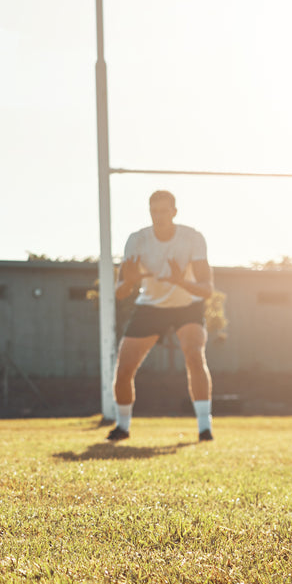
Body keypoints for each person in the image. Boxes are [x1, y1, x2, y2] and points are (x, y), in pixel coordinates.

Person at [107, 189, 215, 443]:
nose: (159, 216)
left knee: (194, 354)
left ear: (174, 212)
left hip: (187, 304)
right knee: (123, 370)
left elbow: (207, 290)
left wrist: (180, 282)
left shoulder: (193, 238)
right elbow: (120, 292)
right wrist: (129, 281)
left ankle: (204, 428)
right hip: (150, 306)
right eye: (154, 211)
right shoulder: (137, 240)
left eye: (164, 211)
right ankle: (122, 427)